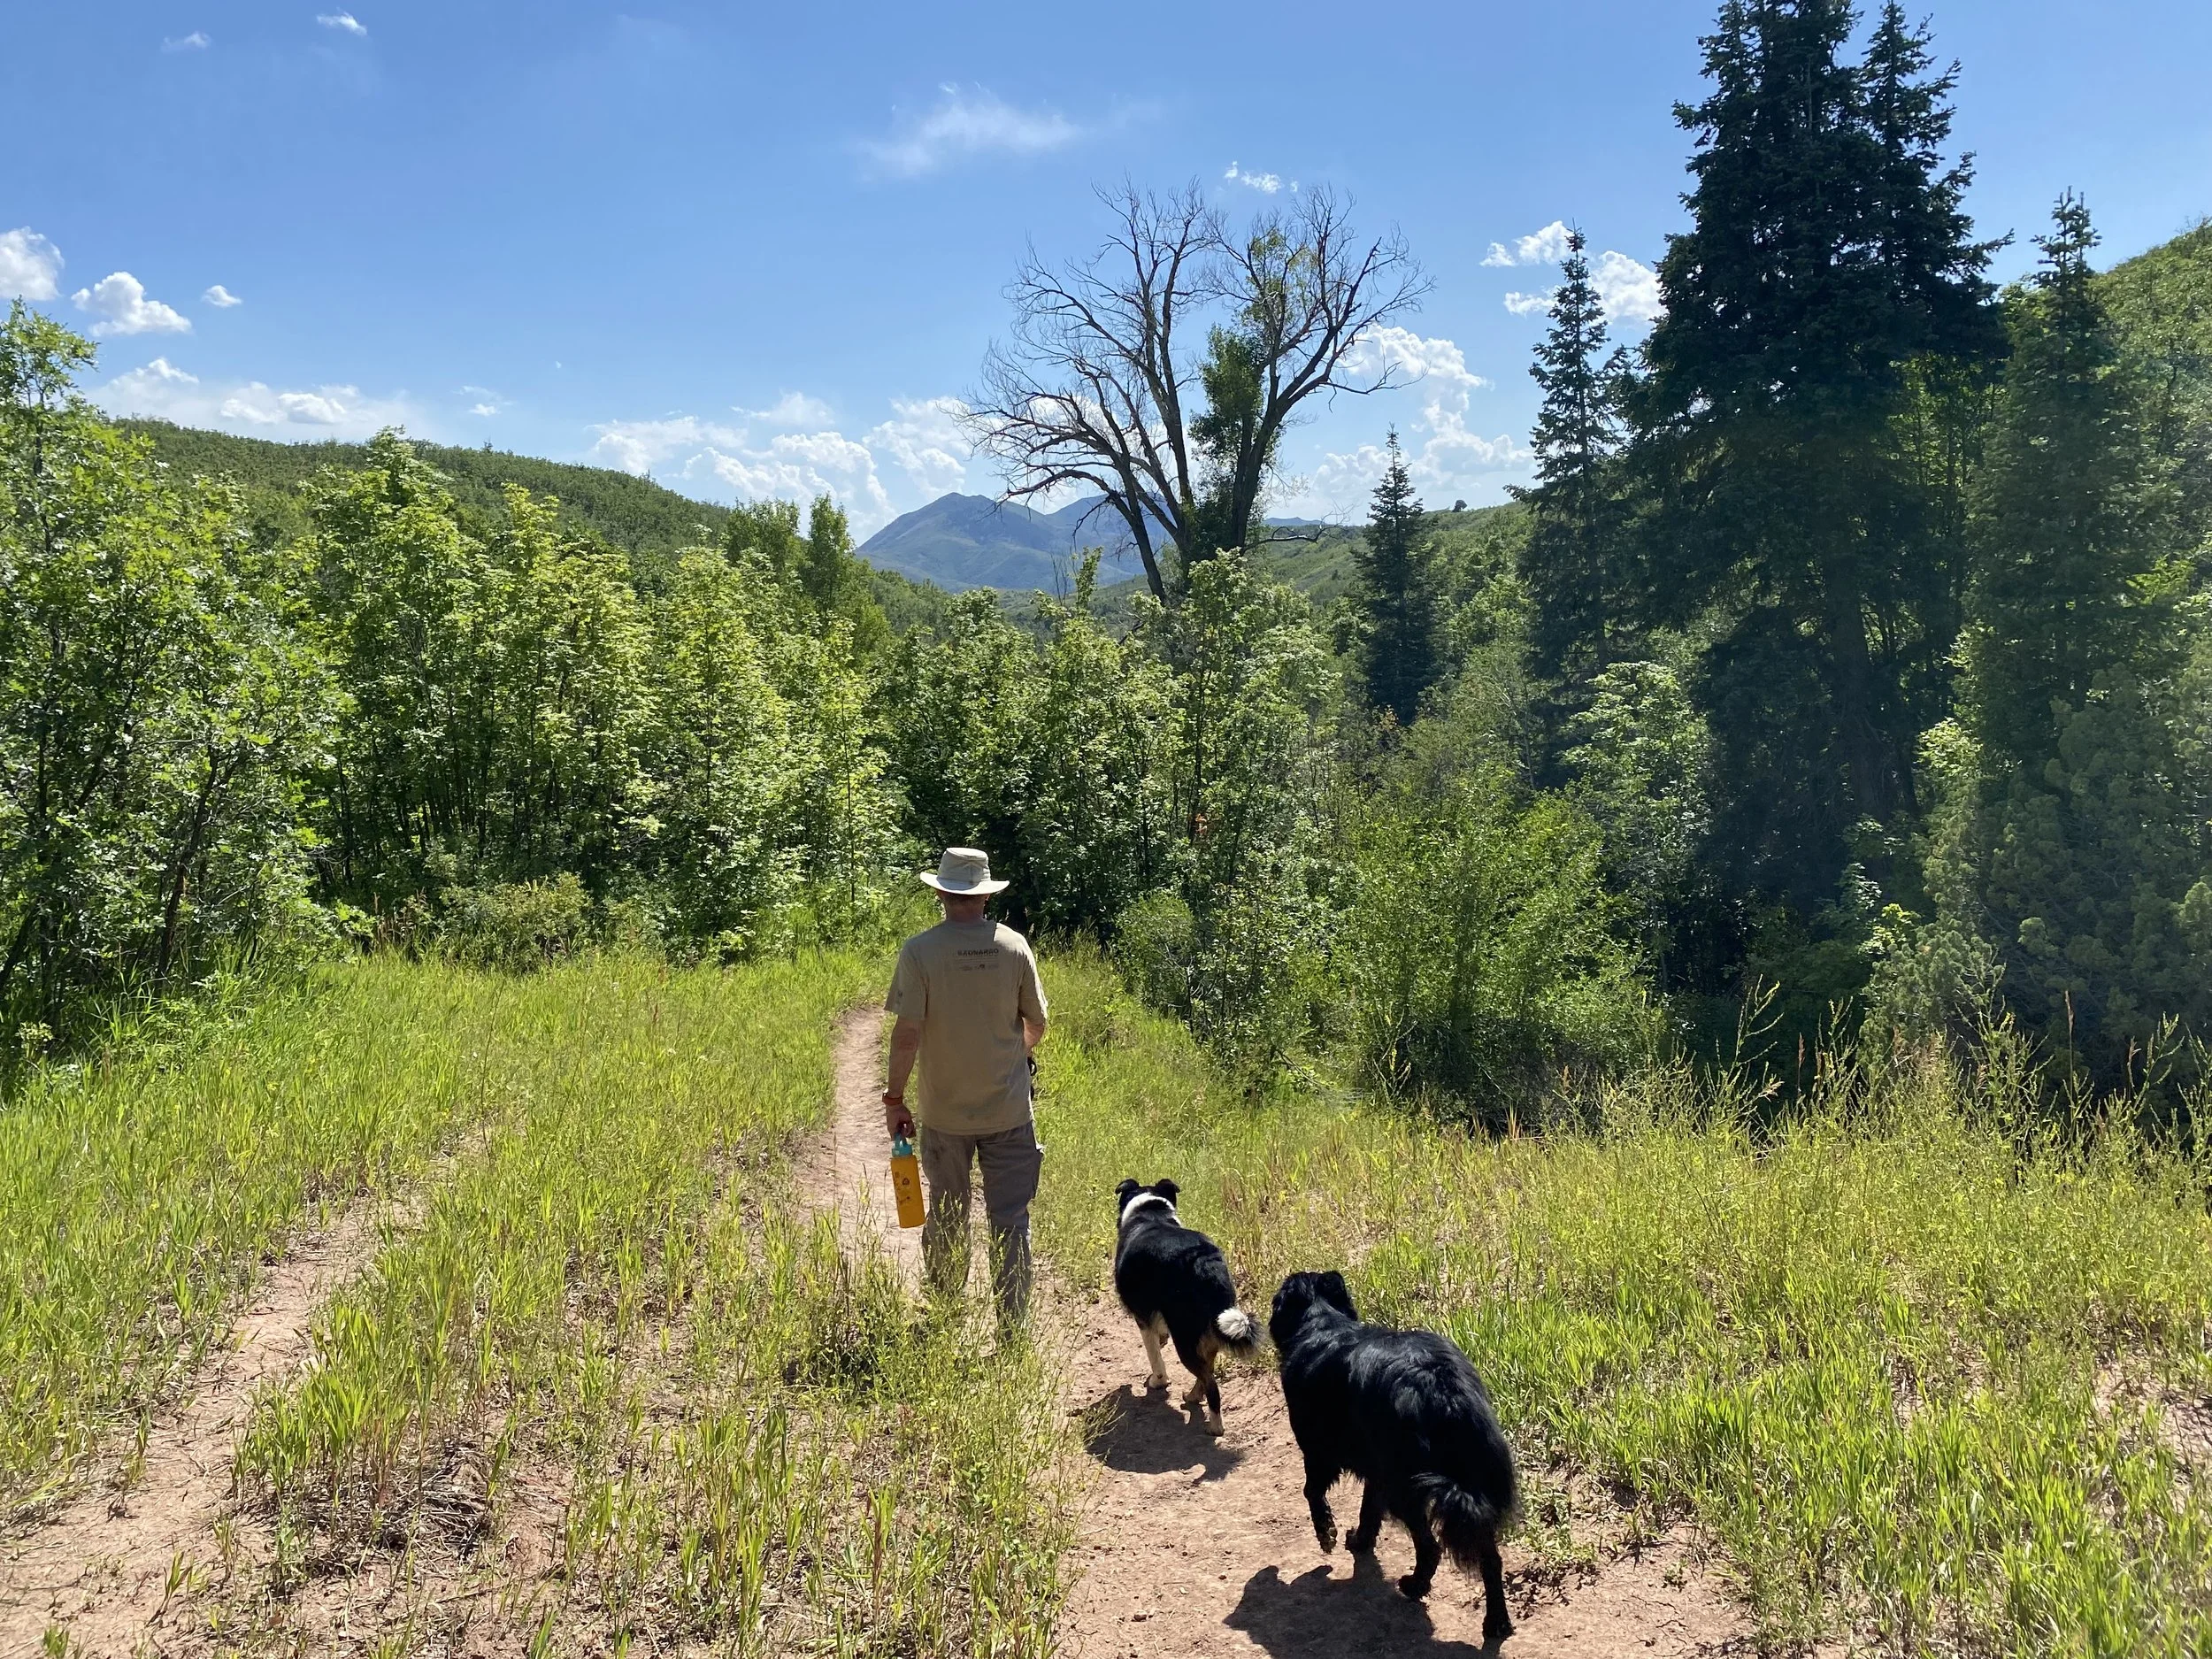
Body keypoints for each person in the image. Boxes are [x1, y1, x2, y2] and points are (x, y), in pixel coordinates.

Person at [883, 847, 1048, 1325]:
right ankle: (1013, 1332)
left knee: (948, 1214)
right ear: (986, 895)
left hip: (944, 1114)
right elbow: (1036, 1021)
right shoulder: (1014, 946)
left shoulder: (920, 952)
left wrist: (894, 1099)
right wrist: (1010, 1058)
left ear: (940, 892)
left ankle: (942, 1318)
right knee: (1011, 1224)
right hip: (1010, 1111)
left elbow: (907, 1034)